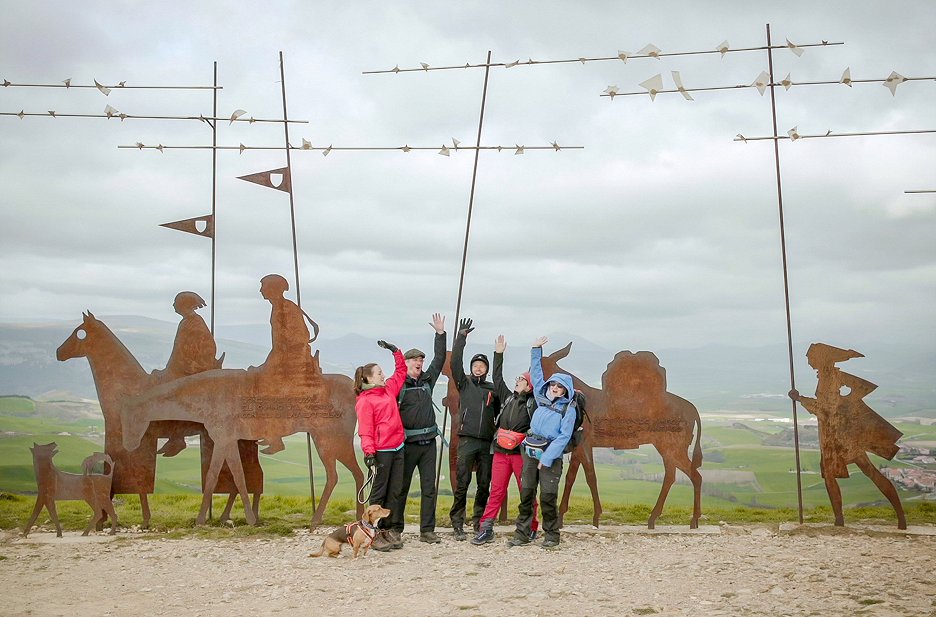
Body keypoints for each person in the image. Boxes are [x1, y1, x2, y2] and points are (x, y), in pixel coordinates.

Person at [788, 342, 906, 529]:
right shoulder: (827, 377)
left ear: (820, 358)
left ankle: (844, 519)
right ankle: (841, 519)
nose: (809, 361)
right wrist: (840, 404)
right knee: (842, 473)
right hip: (831, 433)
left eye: (810, 357)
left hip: (838, 435)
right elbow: (828, 406)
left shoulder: (833, 376)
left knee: (860, 472)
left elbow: (829, 405)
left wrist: (840, 403)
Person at [507, 336, 576, 550]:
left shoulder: (569, 409)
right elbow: (536, 375)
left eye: (559, 386)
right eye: (553, 384)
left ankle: (551, 535)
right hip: (530, 450)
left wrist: (546, 459)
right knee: (526, 493)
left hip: (550, 456)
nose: (554, 388)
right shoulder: (541, 396)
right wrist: (535, 349)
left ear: (565, 390)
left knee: (547, 496)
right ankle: (522, 533)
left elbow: (564, 437)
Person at [471, 334, 540, 545]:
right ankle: (486, 528)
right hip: (500, 452)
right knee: (497, 491)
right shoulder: (508, 397)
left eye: (521, 380)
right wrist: (498, 354)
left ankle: (531, 527)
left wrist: (536, 352)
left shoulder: (534, 404)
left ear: (529, 385)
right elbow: (498, 378)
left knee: (526, 491)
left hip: (521, 454)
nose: (517, 381)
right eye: (518, 379)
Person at [388, 313, 447, 545]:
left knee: (428, 488)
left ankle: (427, 530)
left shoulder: (428, 380)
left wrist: (440, 334)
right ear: (407, 364)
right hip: (407, 444)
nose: (420, 364)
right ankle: (395, 528)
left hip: (429, 443)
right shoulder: (399, 384)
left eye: (421, 361)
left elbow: (439, 359)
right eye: (415, 361)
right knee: (401, 488)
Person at [448, 317, 499, 541]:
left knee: (483, 484)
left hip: (486, 441)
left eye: (482, 366)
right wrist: (461, 338)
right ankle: (457, 522)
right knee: (462, 483)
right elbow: (455, 363)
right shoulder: (464, 383)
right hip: (467, 439)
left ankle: (479, 521)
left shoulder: (493, 388)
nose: (478, 368)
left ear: (486, 369)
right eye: (475, 365)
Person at [354, 339, 407, 551]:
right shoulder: (365, 400)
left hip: (398, 448)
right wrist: (369, 454)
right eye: (379, 373)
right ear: (368, 378)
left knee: (394, 492)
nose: (383, 375)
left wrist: (396, 351)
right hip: (381, 452)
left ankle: (387, 531)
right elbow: (365, 431)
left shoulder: (388, 390)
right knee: (378, 495)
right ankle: (372, 535)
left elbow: (401, 372)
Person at [152, 291, 219, 456]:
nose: (173, 305)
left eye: (175, 302)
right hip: (182, 368)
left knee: (169, 393)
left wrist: (186, 367)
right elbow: (179, 352)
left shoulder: (193, 322)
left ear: (183, 305)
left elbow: (204, 349)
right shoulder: (187, 322)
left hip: (193, 370)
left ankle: (177, 437)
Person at [258, 274, 320, 380]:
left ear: (274, 288)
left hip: (293, 361)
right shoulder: (278, 308)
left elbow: (284, 345)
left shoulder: (286, 309)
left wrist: (267, 367)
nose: (260, 290)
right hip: (285, 358)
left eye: (264, 286)